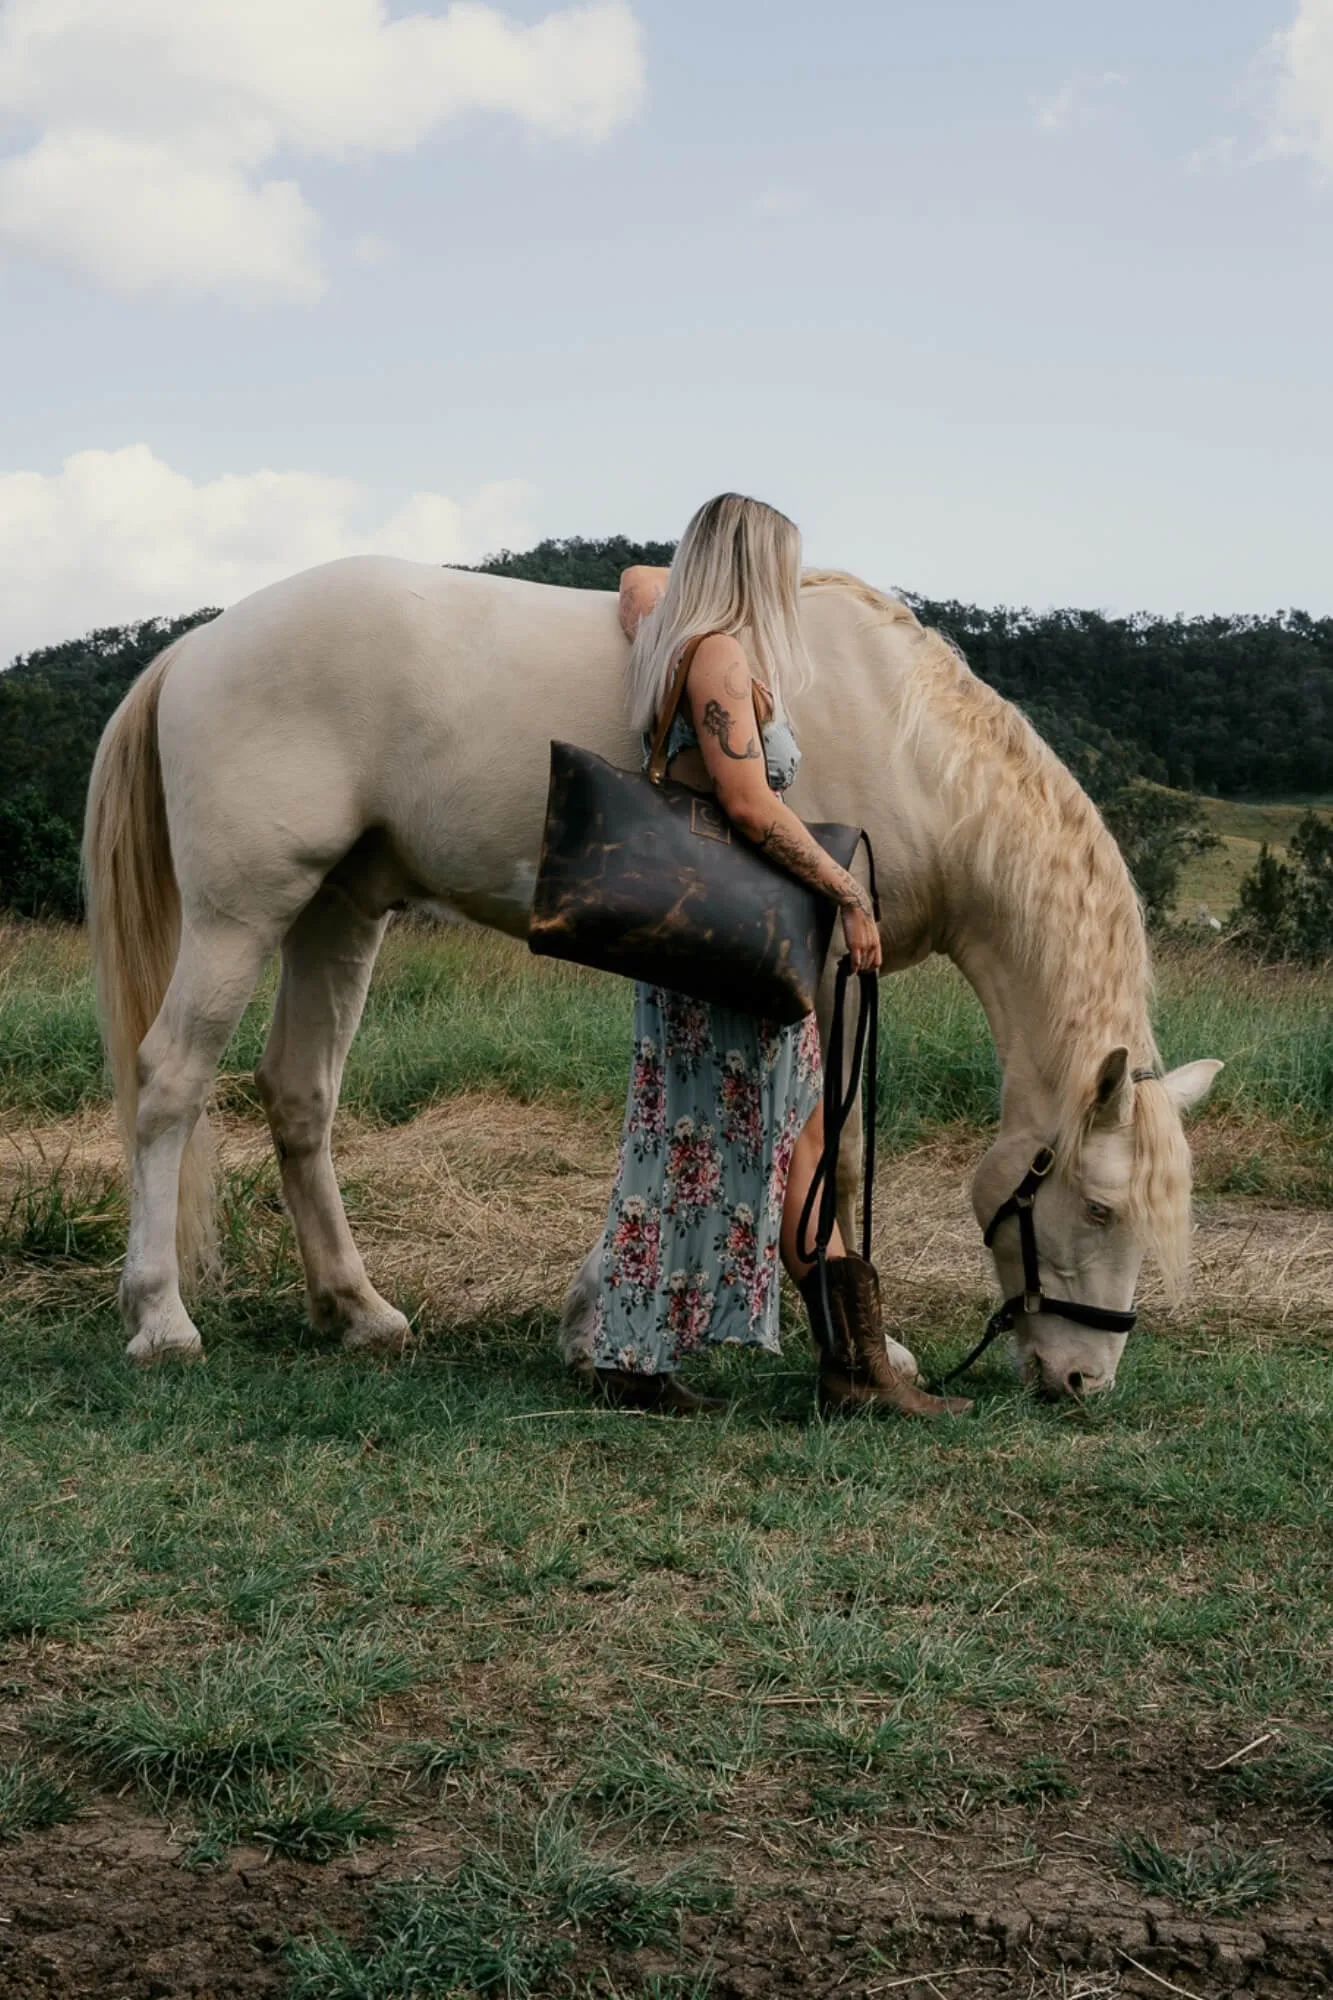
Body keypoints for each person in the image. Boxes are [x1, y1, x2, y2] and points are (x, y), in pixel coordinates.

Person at [589, 493, 968, 1419]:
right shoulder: (715, 655)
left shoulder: (670, 632)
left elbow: (638, 583)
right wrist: (847, 894)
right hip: (727, 947)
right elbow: (751, 807)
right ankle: (642, 1358)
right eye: (781, 566)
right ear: (749, 567)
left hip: (721, 945)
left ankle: (848, 1362)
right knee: (693, 1143)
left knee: (786, 1136)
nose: (791, 587)